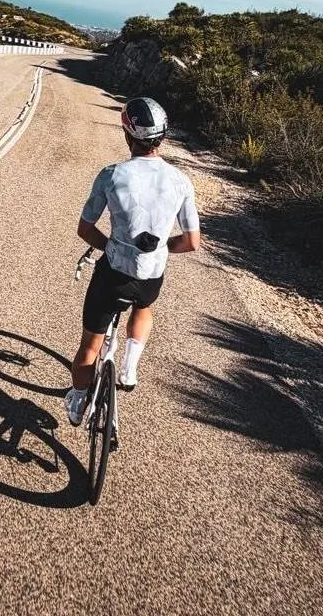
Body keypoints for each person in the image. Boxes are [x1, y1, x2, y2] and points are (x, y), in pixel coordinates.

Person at [65, 96, 201, 425]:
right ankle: (129, 368)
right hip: (150, 278)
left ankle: (78, 400)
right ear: (163, 137)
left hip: (113, 272)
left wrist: (111, 245)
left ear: (128, 135)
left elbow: (85, 228)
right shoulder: (181, 181)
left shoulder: (111, 175)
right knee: (143, 307)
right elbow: (192, 242)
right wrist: (160, 248)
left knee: (90, 346)